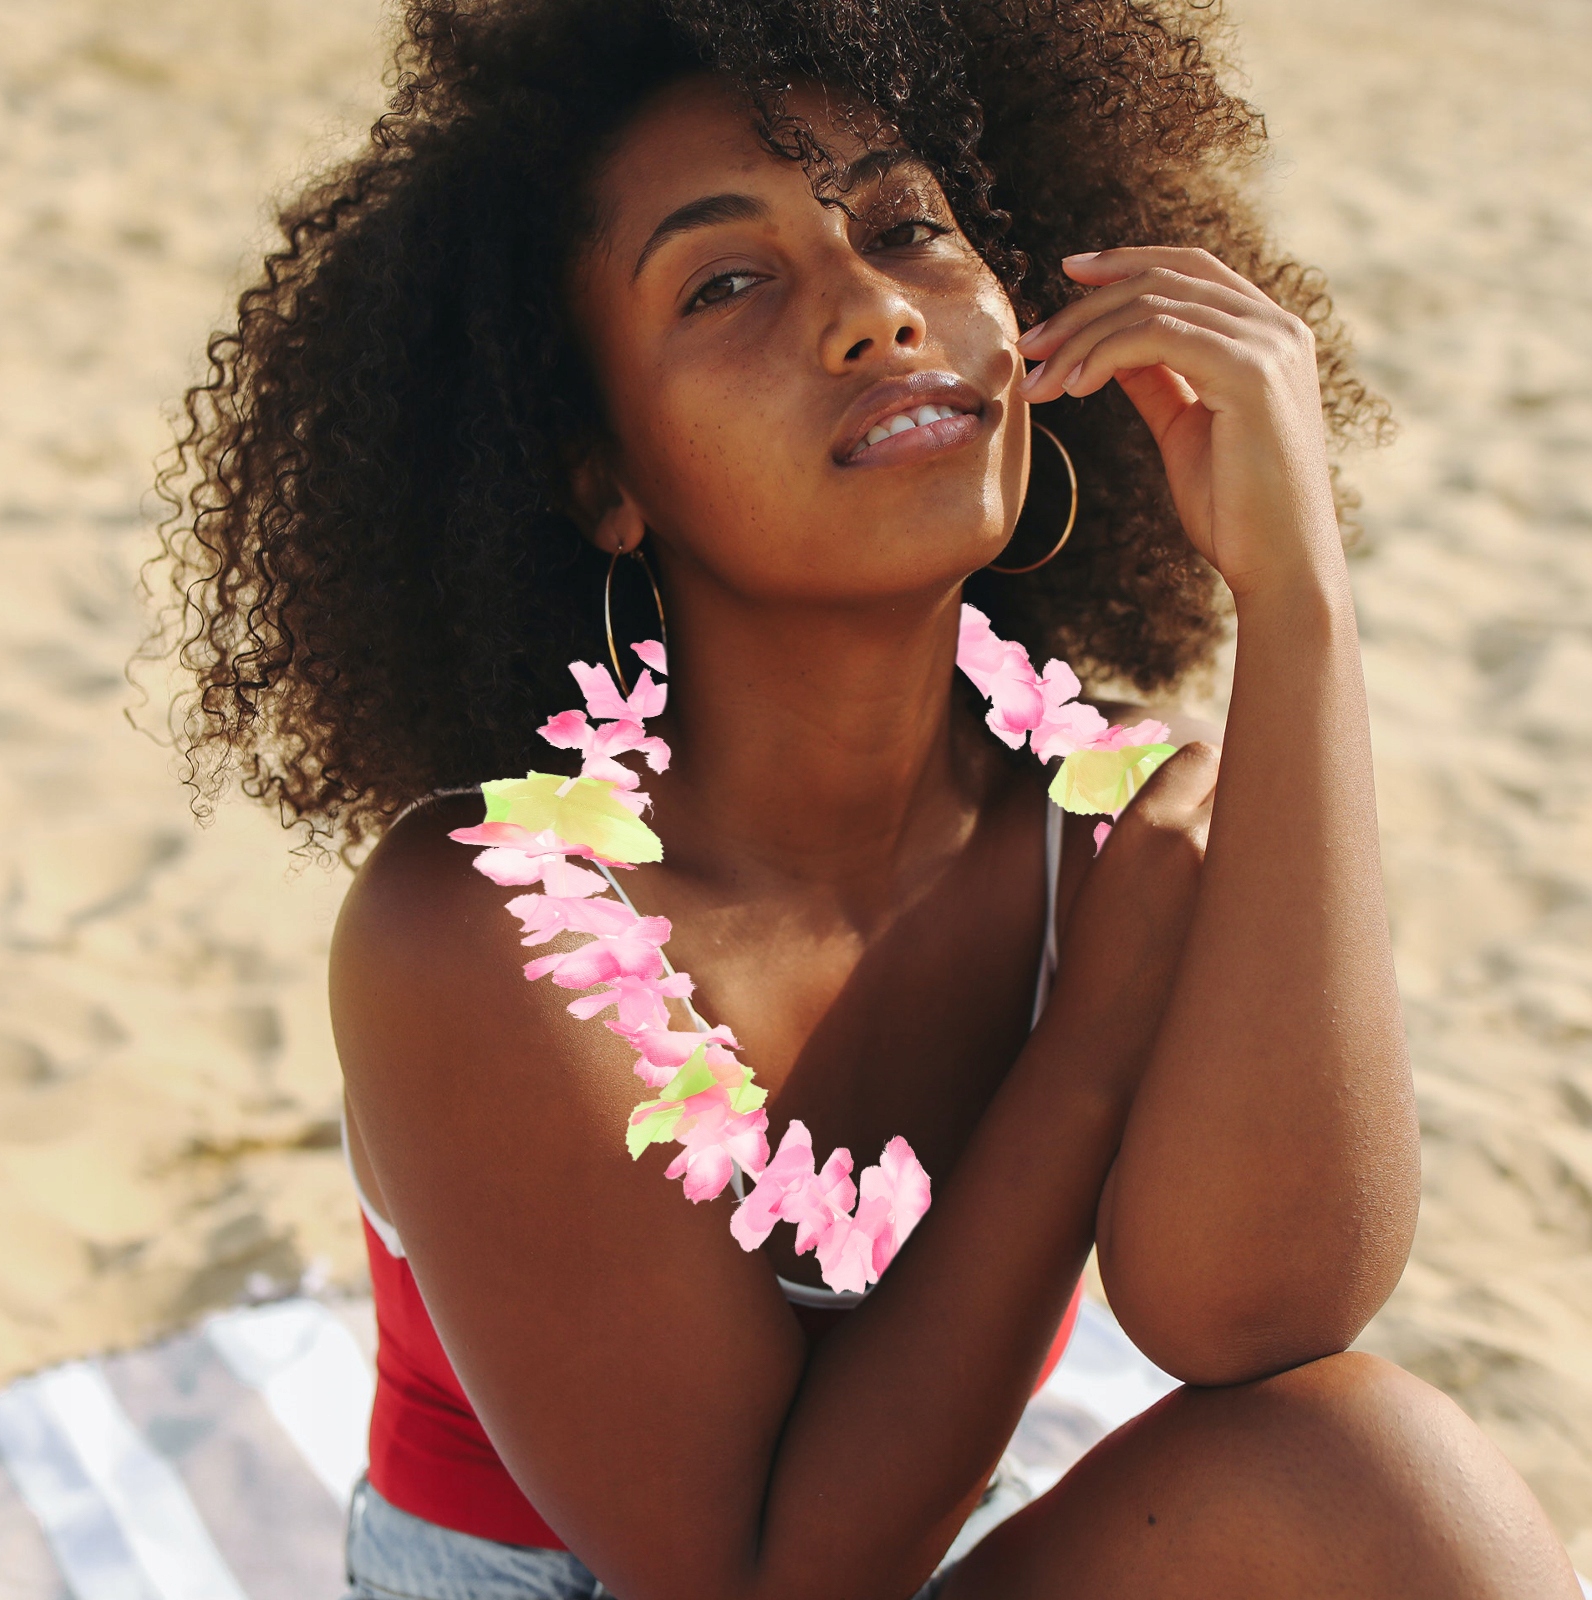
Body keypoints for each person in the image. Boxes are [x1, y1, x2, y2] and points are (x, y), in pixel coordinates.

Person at [151, 1, 1581, 1594]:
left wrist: (1297, 592)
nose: (874, 311)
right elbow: (765, 1580)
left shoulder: (1111, 819)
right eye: (725, 283)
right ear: (601, 478)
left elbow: (1260, 1316)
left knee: (1379, 1481)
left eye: (907, 228)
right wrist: (1095, 1038)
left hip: (934, 1544)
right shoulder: (485, 928)